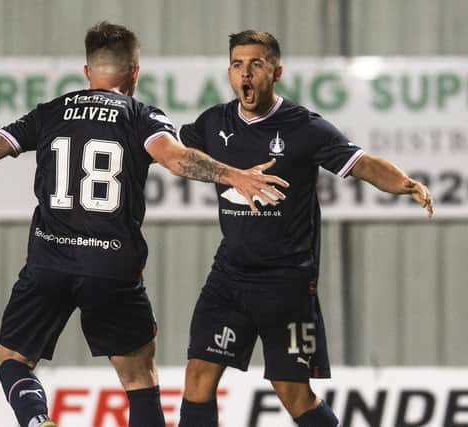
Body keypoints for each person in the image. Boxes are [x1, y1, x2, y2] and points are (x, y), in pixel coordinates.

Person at [0, 23, 289, 427]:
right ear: (134, 73)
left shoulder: (50, 112)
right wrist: (234, 174)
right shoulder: (143, 117)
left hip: (48, 264)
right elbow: (174, 158)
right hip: (112, 269)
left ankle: (37, 420)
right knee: (138, 377)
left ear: (86, 70)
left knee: (13, 359)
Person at [176, 30, 434, 427]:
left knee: (292, 392)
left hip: (287, 281)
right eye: (237, 65)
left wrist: (407, 183)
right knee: (198, 375)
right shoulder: (213, 123)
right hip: (229, 275)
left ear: (276, 71)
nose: (245, 74)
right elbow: (178, 154)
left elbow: (362, 164)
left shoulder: (304, 128)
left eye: (256, 65)